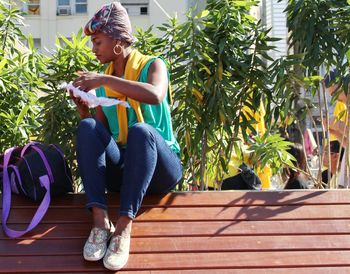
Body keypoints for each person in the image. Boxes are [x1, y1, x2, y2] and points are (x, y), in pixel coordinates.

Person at [69, 2, 183, 271]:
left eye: (98, 42)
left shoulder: (153, 66)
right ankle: (100, 222)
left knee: (141, 131)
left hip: (160, 170)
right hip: (125, 171)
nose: (93, 49)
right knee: (88, 128)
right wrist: (83, 109)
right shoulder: (104, 81)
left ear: (118, 41)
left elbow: (155, 95)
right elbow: (102, 137)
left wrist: (104, 82)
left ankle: (122, 228)